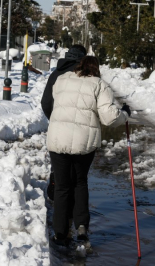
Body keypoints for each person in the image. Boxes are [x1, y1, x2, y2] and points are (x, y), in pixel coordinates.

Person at [47, 56, 131, 245]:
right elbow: (109, 118)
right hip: (83, 143)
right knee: (80, 182)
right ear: (97, 69)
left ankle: (60, 233)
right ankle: (82, 227)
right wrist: (124, 114)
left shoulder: (62, 80)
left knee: (61, 186)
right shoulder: (99, 85)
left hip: (57, 138)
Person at [42, 44, 87, 202]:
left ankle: (57, 194)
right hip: (82, 129)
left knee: (60, 163)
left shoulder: (56, 73)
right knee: (78, 170)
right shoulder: (87, 75)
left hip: (59, 128)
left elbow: (46, 102)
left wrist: (55, 119)